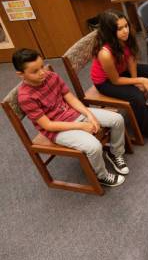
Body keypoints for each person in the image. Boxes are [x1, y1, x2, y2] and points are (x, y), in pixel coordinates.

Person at [13, 48, 127, 187]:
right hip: (57, 130)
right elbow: (48, 125)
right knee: (94, 147)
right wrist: (82, 126)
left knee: (117, 119)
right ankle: (101, 176)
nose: (42, 72)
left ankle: (115, 153)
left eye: (42, 66)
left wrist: (89, 115)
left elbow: (70, 98)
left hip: (72, 113)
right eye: (35, 71)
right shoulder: (25, 97)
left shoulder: (52, 76)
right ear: (20, 74)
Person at [91, 10, 148, 138]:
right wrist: (140, 81)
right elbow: (115, 80)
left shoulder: (126, 37)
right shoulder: (104, 53)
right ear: (109, 32)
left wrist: (136, 80)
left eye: (126, 26)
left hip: (122, 69)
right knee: (136, 96)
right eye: (119, 28)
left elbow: (131, 58)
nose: (125, 31)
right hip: (106, 82)